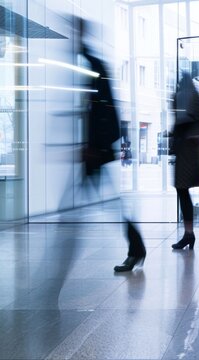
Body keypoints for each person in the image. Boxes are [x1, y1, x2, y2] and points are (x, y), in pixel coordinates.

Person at [74, 17, 145, 273]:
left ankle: (136, 249)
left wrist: (95, 146)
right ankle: (136, 249)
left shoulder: (91, 65)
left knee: (111, 203)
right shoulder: (89, 64)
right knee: (109, 203)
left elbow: (101, 110)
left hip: (98, 150)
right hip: (96, 149)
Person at [171, 72, 199, 250]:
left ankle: (189, 234)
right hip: (191, 151)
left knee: (182, 191)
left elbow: (182, 121)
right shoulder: (195, 97)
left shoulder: (185, 97)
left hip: (186, 151)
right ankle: (188, 233)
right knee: (183, 192)